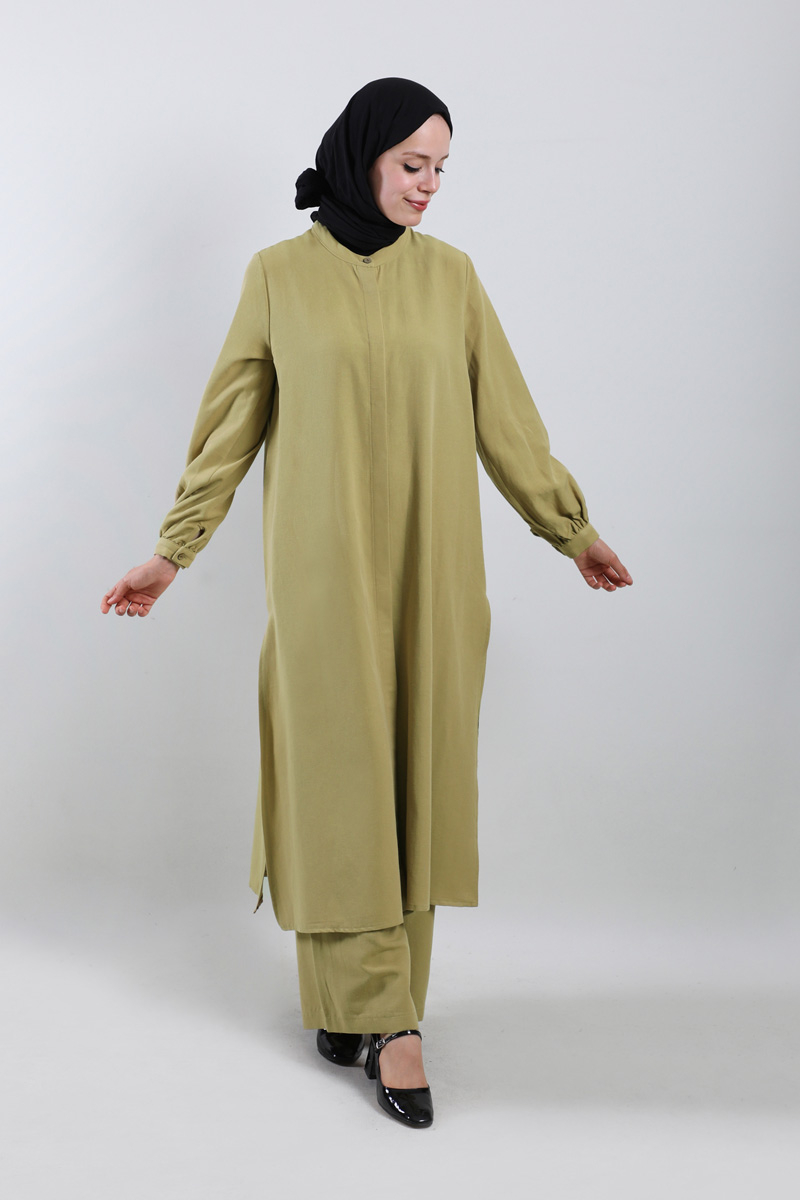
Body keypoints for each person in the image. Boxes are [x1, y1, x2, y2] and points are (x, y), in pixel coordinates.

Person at [100, 77, 632, 1128]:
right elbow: (229, 429)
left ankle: (361, 1010)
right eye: (411, 164)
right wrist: (173, 552)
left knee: (413, 782)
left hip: (434, 574)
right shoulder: (277, 277)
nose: (428, 186)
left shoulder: (453, 280)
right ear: (361, 157)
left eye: (441, 169)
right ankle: (390, 1024)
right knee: (339, 784)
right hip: (321, 576)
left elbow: (508, 423)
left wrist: (570, 529)